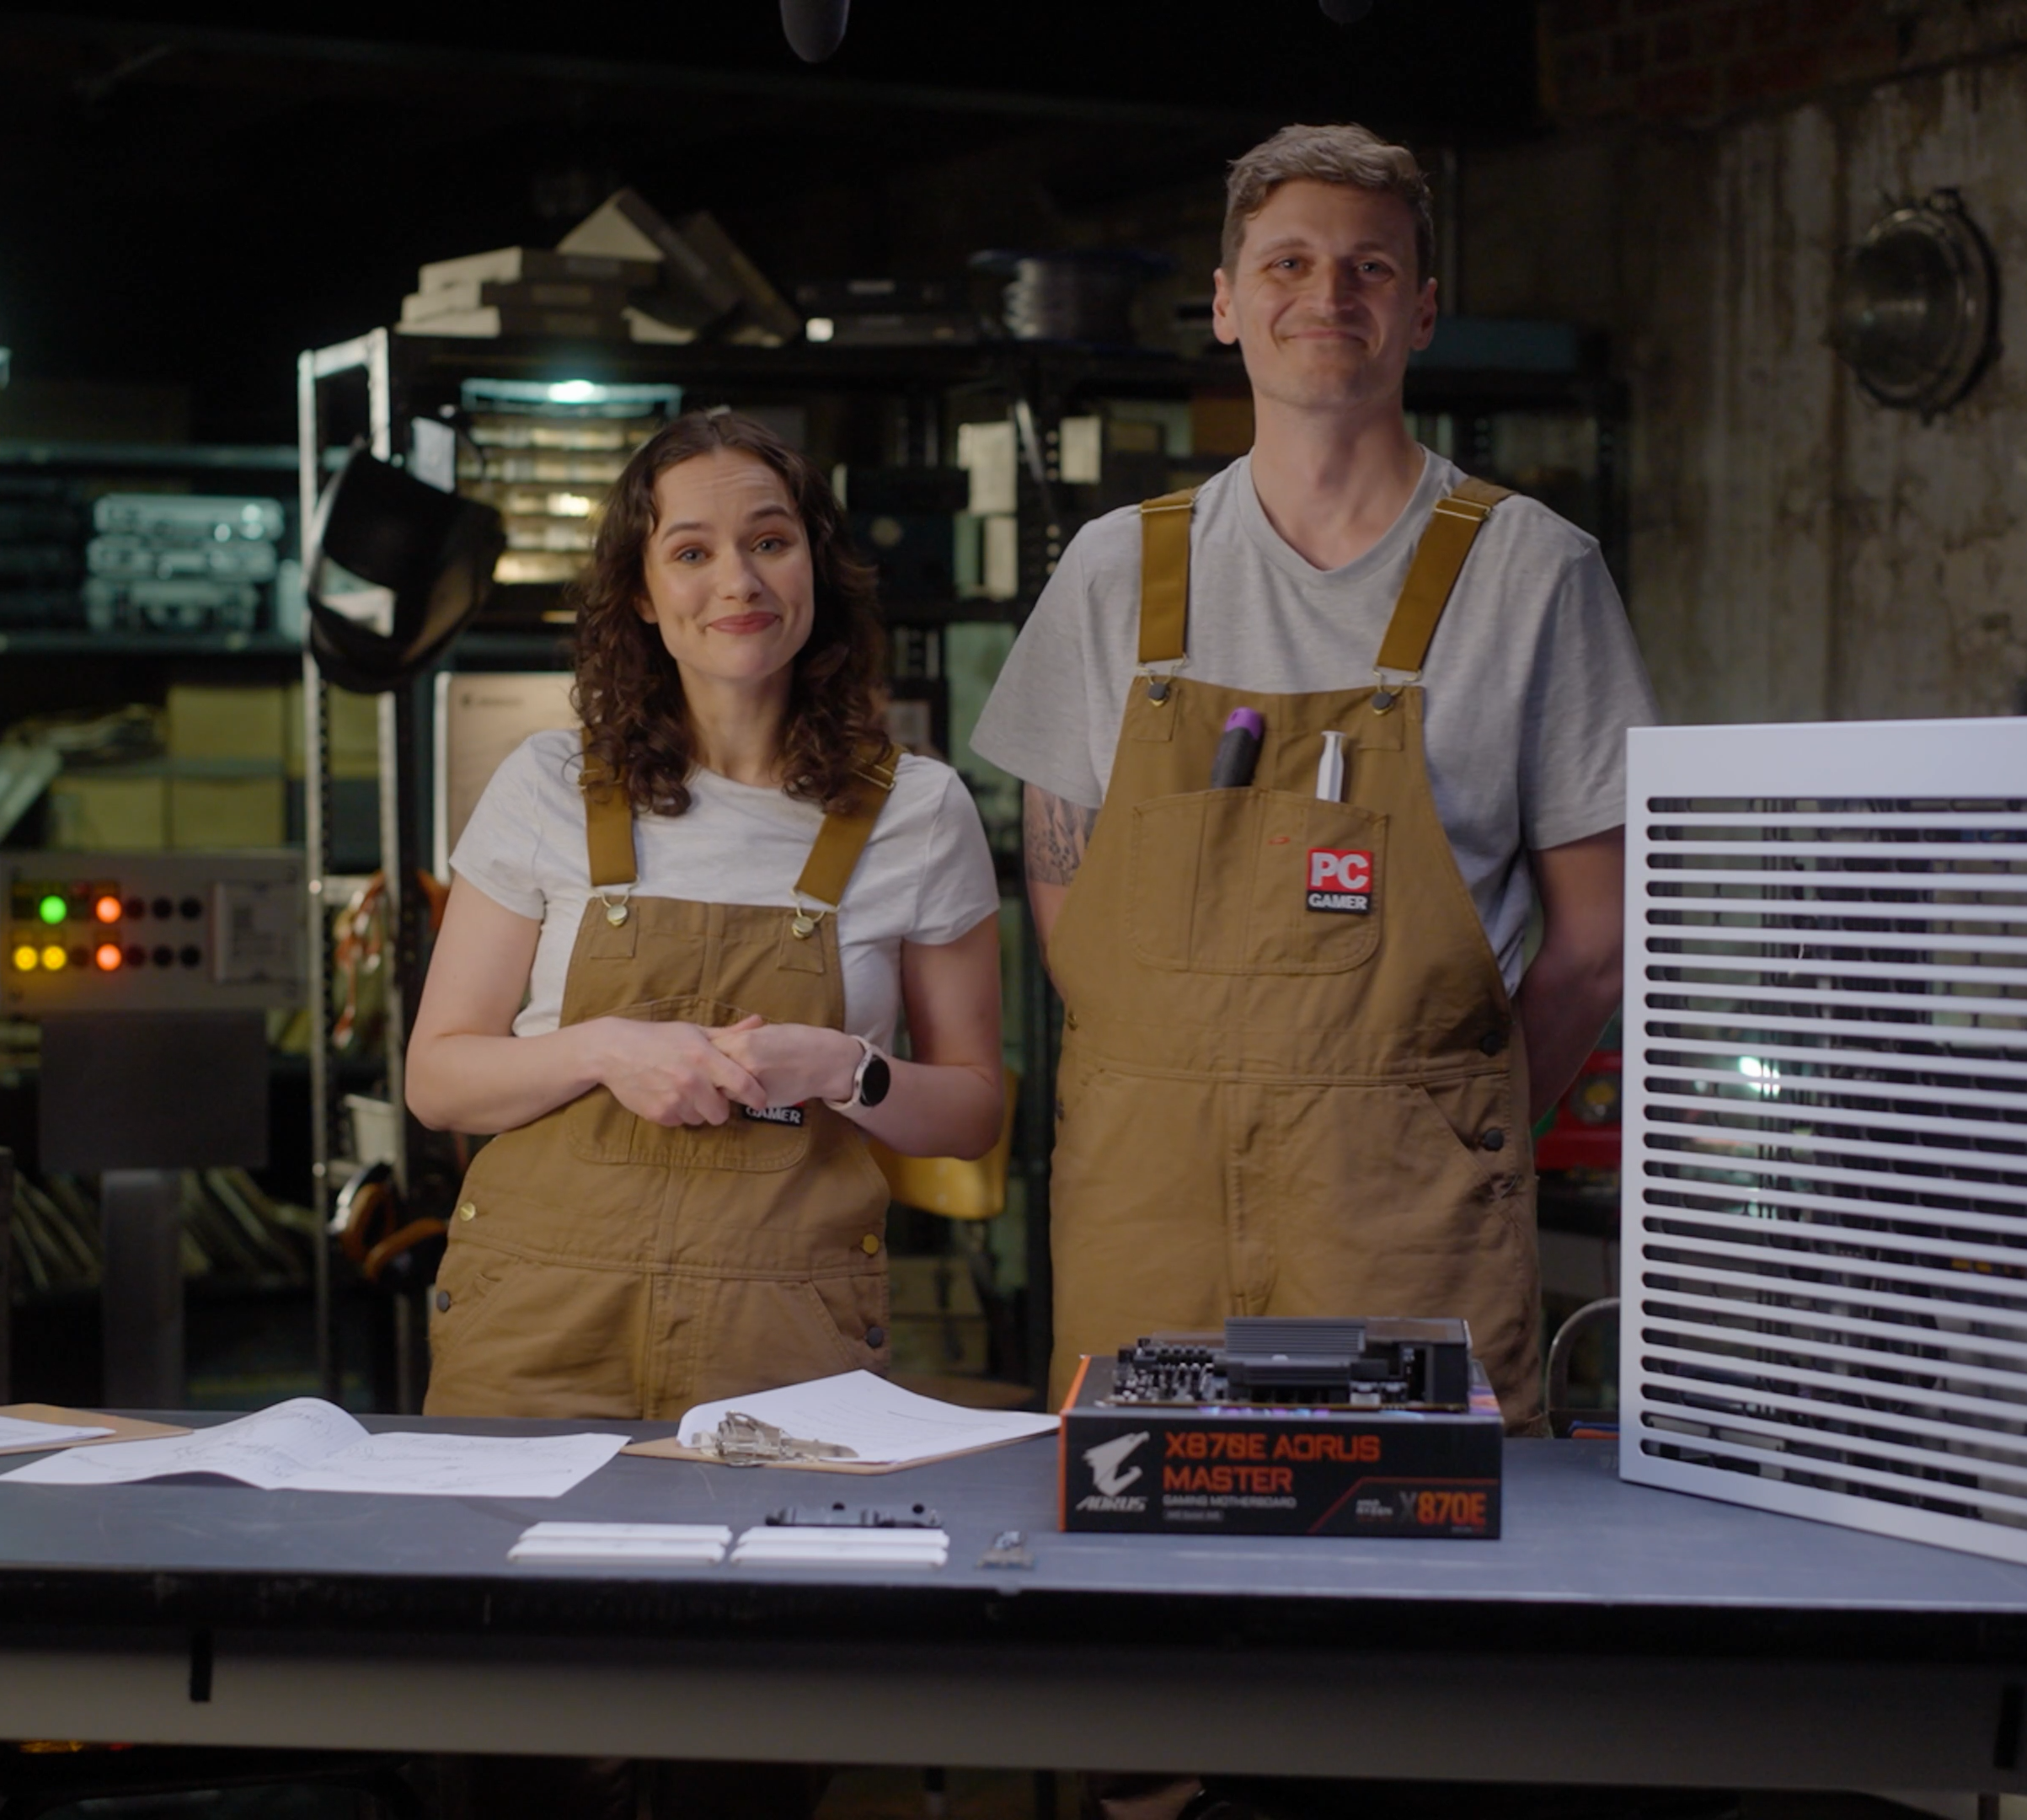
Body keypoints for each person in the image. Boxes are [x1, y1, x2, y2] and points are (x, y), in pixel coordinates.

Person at [972, 122, 1655, 1437]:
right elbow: (1072, 915)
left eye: (1370, 268)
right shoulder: (1115, 572)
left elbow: (1595, 943)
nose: (1328, 295)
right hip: (1149, 1210)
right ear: (1227, 304)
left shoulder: (1533, 573)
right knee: (1144, 1531)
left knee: (1421, 1542)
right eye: (1286, 263)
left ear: (1423, 311)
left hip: (1407, 1221)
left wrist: (1439, 1126)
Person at [406, 408, 1007, 1422]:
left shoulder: (918, 810)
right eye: (692, 552)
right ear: (642, 594)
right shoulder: (548, 784)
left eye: (770, 542)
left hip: (786, 1344)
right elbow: (437, 1081)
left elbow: (975, 1111)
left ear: (816, 567)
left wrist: (843, 1069)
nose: (739, 582)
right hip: (535, 1332)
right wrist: (605, 1050)